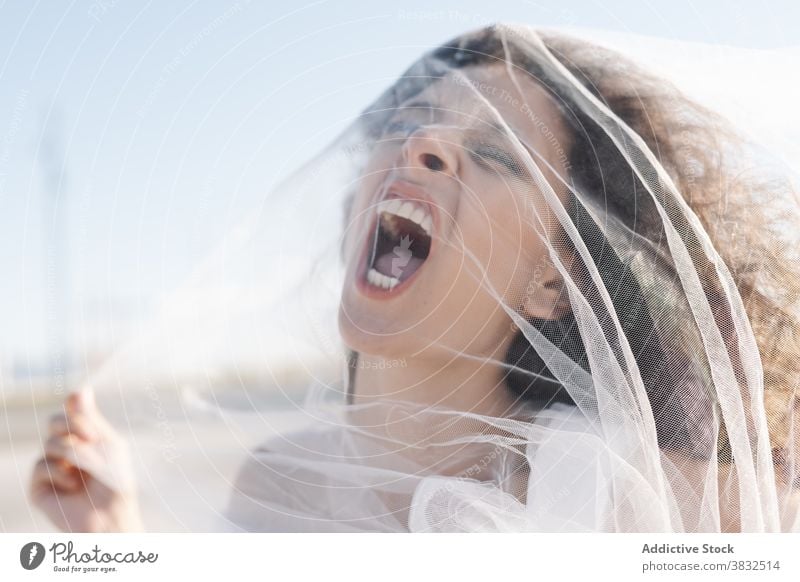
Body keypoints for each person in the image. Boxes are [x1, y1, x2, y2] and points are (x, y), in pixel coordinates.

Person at [30, 24, 800, 532]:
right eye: (408, 123)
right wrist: (112, 539)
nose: (424, 143)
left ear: (551, 285)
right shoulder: (270, 487)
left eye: (497, 155)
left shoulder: (631, 492)